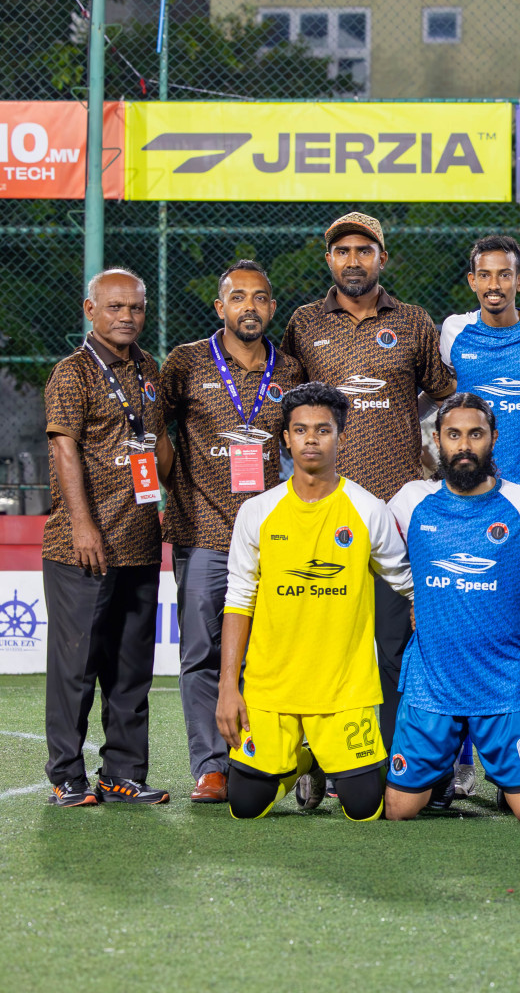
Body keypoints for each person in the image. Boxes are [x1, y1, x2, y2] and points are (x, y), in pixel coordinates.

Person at [278, 212, 456, 751]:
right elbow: (285, 396)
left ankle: (400, 756)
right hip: (323, 505)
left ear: (383, 258)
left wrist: (402, 411)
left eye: (364, 251)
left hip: (397, 505)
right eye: (342, 251)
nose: (353, 260)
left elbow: (443, 390)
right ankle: (313, 756)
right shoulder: (303, 323)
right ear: (329, 259)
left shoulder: (414, 321)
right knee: (321, 641)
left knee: (395, 644)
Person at [217, 382, 413, 821]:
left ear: (340, 435)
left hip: (344, 689)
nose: (311, 439)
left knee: (364, 808)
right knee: (244, 807)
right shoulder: (258, 512)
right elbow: (238, 599)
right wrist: (229, 685)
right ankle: (304, 762)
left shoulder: (367, 510)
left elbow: (407, 582)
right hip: (271, 688)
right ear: (285, 437)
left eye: (322, 430)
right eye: (300, 429)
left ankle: (327, 762)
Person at [384, 394, 520, 822]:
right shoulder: (409, 501)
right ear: (436, 440)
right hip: (430, 687)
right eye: (453, 435)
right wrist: (412, 593)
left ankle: (506, 778)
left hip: (502, 686)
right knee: (398, 811)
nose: (464, 445)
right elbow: (375, 560)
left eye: (475, 434)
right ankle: (438, 772)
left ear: (493, 438)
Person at [161, 259, 301, 805]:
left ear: (272, 307)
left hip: (272, 538)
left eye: (261, 298)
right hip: (201, 534)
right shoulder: (187, 362)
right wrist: (180, 486)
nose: (250, 306)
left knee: (267, 652)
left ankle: (263, 756)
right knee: (201, 652)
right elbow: (154, 427)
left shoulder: (288, 369)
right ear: (220, 307)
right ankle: (211, 767)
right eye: (238, 297)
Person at [438, 236, 520, 795]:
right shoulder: (452, 333)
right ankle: (462, 757)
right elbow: (440, 407)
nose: (494, 285)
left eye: (504, 275)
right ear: (472, 282)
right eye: (484, 275)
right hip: (468, 505)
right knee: (469, 631)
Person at [42, 268, 171, 807]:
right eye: (115, 307)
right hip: (83, 548)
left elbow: (159, 439)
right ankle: (65, 775)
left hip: (139, 541)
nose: (127, 316)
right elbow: (63, 448)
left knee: (131, 669)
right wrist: (82, 524)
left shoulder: (149, 369)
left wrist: (163, 478)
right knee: (77, 666)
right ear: (90, 310)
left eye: (136, 308)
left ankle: (123, 774)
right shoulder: (72, 373)